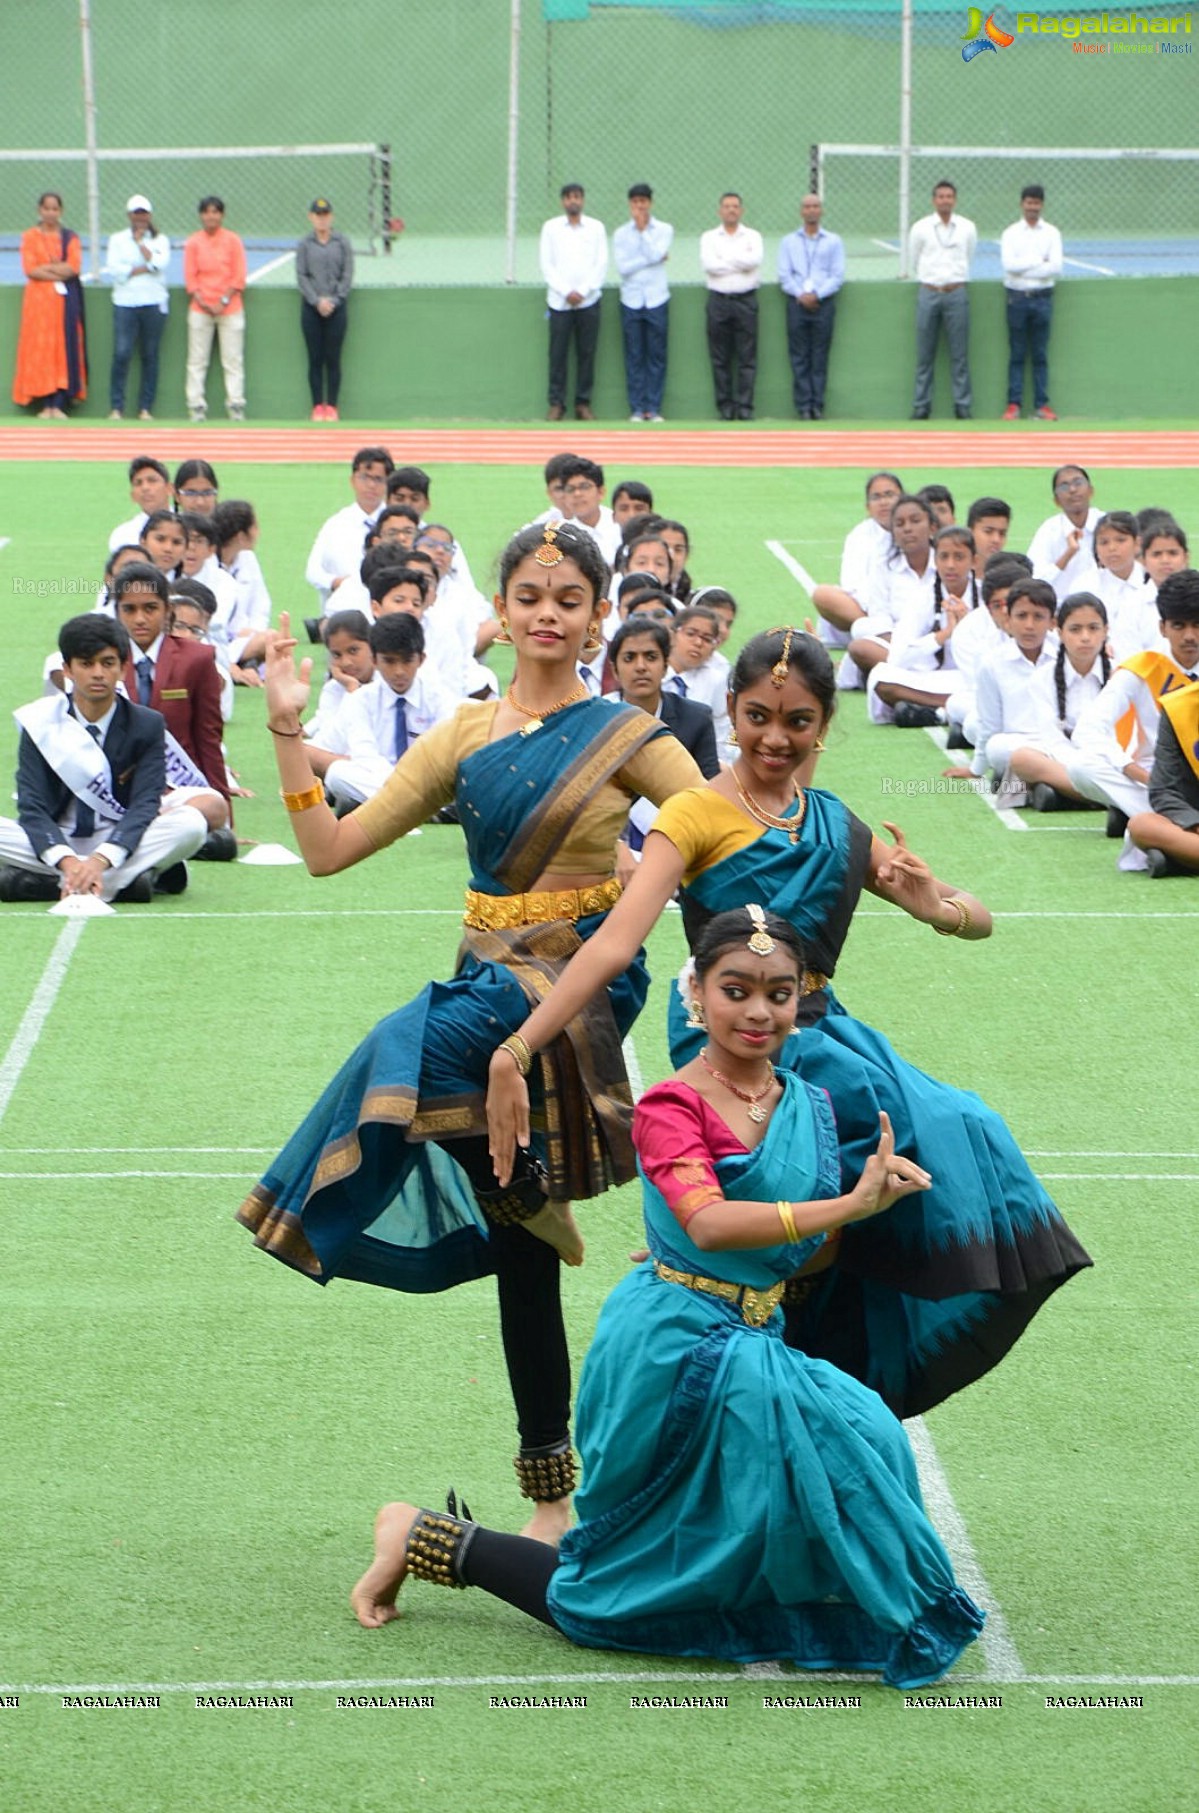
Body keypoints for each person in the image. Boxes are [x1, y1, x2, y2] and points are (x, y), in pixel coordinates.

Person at [354, 908, 987, 1689]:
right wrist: (846, 1208)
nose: (758, 1011)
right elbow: (711, 1222)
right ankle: (431, 1538)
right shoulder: (671, 1106)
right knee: (623, 1593)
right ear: (698, 993)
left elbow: (799, 1247)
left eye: (778, 992)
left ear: (802, 997)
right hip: (674, 1349)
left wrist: (879, 1205)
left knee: (861, 1442)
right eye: (737, 989)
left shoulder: (810, 1105)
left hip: (754, 1336)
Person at [487, 628, 1092, 1421]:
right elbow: (612, 943)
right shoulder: (694, 813)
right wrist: (519, 1043)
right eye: (757, 715)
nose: (775, 737)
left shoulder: (837, 823)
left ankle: (816, 1362)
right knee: (839, 1143)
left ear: (822, 727)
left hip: (819, 1026)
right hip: (728, 1023)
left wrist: (935, 908)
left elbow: (976, 918)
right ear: (730, 711)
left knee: (958, 1123)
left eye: (797, 721)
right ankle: (747, 1312)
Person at [236, 522, 703, 1541]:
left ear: (594, 613)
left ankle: (334, 1201)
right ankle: (550, 1495)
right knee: (521, 1252)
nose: (547, 612)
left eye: (568, 597)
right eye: (529, 595)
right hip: (483, 982)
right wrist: (283, 731)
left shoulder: (628, 737)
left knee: (403, 1042)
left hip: (571, 987)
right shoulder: (462, 734)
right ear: (499, 607)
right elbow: (328, 850)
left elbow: (716, 829)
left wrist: (671, 881)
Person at [0, 614, 207, 904]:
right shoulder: (40, 722)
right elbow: (31, 807)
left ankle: (54, 884)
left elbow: (146, 804)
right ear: (68, 670)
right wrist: (68, 861)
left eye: (107, 663)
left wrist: (100, 860)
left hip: (119, 841)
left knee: (191, 823)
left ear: (123, 669)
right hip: (57, 840)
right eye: (86, 664)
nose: (98, 673)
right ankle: (124, 885)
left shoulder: (147, 725)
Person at [1064, 570, 1199, 868]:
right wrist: (1136, 771)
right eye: (1179, 625)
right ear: (1163, 628)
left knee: (1143, 826)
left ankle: (1174, 847)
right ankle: (1169, 836)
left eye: (1197, 625)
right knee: (1080, 766)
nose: (1189, 636)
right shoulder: (1144, 668)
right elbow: (1088, 730)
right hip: (1153, 782)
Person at [1008, 593, 1112, 810]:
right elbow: (1053, 739)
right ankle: (1105, 800)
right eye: (1075, 629)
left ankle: (1067, 795)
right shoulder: (1042, 678)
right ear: (1059, 632)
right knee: (1021, 759)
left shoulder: (1122, 675)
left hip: (1110, 763)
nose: (1085, 637)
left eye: (1093, 628)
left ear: (1106, 631)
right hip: (1067, 763)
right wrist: (1080, 768)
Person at [12, 192, 87, 419]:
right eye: (47, 208)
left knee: (63, 351)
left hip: (65, 305)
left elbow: (72, 268)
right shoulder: (30, 237)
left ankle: (59, 403)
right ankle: (45, 404)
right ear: (39, 210)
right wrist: (56, 269)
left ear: (60, 212)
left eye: (55, 209)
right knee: (41, 352)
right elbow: (30, 269)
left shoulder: (70, 238)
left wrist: (48, 269)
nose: (51, 213)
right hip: (38, 306)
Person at [908, 180, 976, 420]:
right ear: (933, 200)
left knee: (959, 354)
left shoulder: (967, 227)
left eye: (949, 196)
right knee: (925, 353)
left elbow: (970, 255)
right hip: (929, 292)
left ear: (955, 200)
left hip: (956, 293)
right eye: (941, 196)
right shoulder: (921, 228)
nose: (945, 200)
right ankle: (921, 405)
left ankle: (962, 405)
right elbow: (914, 258)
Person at [539, 184, 607, 422]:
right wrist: (567, 291)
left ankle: (583, 404)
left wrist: (584, 291)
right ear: (562, 202)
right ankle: (556, 404)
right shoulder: (551, 229)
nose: (573, 201)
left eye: (577, 197)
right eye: (568, 198)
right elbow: (547, 265)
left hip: (589, 301)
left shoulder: (596, 228)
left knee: (587, 354)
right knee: (557, 355)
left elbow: (601, 263)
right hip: (559, 302)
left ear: (583, 200)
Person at [777, 194, 845, 421]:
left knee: (819, 356)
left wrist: (817, 294)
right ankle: (803, 406)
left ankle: (818, 405)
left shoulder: (833, 241)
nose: (811, 210)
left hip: (823, 304)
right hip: (796, 304)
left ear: (821, 211)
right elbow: (784, 275)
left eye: (815, 206)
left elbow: (837, 276)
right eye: (807, 207)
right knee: (799, 356)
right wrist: (801, 295)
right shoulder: (788, 242)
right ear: (801, 212)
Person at [1000, 185, 1062, 422]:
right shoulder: (1011, 233)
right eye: (1029, 203)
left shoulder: (1052, 233)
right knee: (1016, 354)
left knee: (1040, 355)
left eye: (1036, 203)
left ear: (1042, 205)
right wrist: (1038, 261)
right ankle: (1013, 405)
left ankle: (1042, 405)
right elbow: (1009, 266)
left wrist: (1025, 265)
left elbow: (1055, 267)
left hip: (1042, 298)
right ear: (1021, 204)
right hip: (1016, 298)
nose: (1032, 207)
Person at [304, 447, 394, 609]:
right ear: (352, 480)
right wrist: (335, 582)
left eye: (379, 479)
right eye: (364, 477)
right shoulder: (336, 524)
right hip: (344, 611)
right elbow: (313, 571)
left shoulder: (397, 522)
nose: (371, 485)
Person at [612, 183, 672, 423]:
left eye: (643, 202)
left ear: (650, 203)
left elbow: (658, 253)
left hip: (657, 298)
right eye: (635, 202)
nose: (640, 206)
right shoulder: (620, 234)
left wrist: (644, 232)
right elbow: (624, 268)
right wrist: (652, 257)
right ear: (630, 204)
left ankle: (654, 408)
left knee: (656, 355)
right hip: (631, 299)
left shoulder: (664, 229)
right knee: (634, 355)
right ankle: (637, 408)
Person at [183, 197, 247, 422]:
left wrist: (223, 301)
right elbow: (190, 278)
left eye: (215, 212)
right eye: (207, 212)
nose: (211, 216)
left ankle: (236, 404)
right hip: (201, 310)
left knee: (232, 360)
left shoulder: (233, 241)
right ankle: (196, 405)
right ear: (201, 215)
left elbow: (239, 277)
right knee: (197, 360)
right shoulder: (193, 242)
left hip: (230, 309)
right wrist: (203, 302)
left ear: (222, 215)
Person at [106, 194, 170, 420]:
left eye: (143, 213)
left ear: (149, 215)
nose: (140, 217)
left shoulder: (160, 240)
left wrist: (142, 245)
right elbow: (115, 270)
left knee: (150, 355)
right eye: (136, 213)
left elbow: (158, 263)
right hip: (125, 302)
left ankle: (145, 408)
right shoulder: (117, 240)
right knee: (122, 353)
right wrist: (143, 268)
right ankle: (117, 407)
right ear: (129, 215)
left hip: (153, 302)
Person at [700, 193, 763, 421]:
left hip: (746, 301)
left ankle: (745, 408)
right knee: (720, 358)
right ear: (719, 211)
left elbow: (754, 260)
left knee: (747, 358)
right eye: (727, 207)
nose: (731, 210)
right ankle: (725, 407)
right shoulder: (709, 237)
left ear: (741, 210)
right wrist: (738, 261)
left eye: (735, 206)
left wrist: (725, 260)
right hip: (719, 301)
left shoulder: (753, 236)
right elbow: (710, 265)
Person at [1128, 675, 1199, 878]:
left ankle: (1180, 861)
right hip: (1193, 825)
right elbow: (1163, 790)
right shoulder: (1180, 708)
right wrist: (1194, 822)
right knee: (1141, 825)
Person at [296, 198, 353, 421]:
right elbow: (302, 275)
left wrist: (335, 300)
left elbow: (346, 274)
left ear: (332, 217)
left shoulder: (342, 242)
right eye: (318, 215)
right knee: (315, 358)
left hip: (336, 308)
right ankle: (318, 405)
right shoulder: (305, 244)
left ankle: (333, 406)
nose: (322, 219)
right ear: (311, 217)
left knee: (333, 358)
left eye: (326, 214)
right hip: (312, 309)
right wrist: (316, 301)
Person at [1027, 465, 1102, 602]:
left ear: (1091, 491)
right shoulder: (1049, 531)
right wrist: (1068, 555)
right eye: (1064, 486)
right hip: (1061, 611)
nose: (1072, 490)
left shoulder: (1106, 524)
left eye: (1078, 483)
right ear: (1056, 500)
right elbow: (1035, 580)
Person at [108, 456, 172, 552]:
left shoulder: (188, 525)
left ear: (169, 489)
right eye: (138, 483)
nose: (145, 488)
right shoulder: (123, 535)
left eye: (152, 481)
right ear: (133, 496)